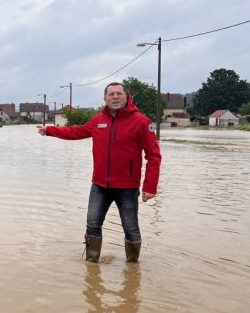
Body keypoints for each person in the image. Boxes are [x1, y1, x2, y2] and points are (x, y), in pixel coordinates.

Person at [37, 82, 161, 263]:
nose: (115, 97)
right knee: (92, 224)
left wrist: (149, 187)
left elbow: (154, 156)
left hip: (127, 187)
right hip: (100, 185)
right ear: (105, 99)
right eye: (111, 94)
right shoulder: (98, 120)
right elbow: (76, 131)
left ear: (127, 97)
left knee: (131, 228)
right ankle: (91, 264)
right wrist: (50, 130)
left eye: (119, 93)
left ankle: (133, 268)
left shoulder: (141, 122)